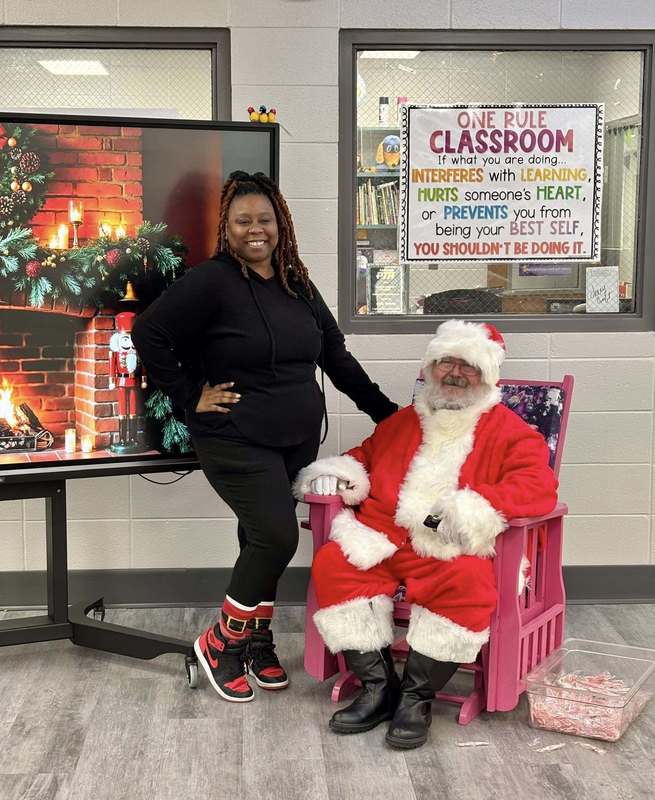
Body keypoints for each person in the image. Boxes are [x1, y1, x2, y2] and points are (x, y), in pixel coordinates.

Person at [131, 171, 397, 703]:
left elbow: (335, 356)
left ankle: (257, 642)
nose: (256, 229)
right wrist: (189, 395)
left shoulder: (297, 283)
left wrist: (387, 415)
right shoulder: (211, 281)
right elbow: (148, 332)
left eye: (265, 219)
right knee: (277, 536)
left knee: (257, 538)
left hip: (294, 438)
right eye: (243, 221)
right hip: (234, 436)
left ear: (281, 224)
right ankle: (220, 643)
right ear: (226, 228)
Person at [293, 320, 558, 749]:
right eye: (445, 362)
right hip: (385, 538)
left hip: (451, 548)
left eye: (468, 366)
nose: (455, 373)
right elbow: (364, 456)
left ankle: (416, 699)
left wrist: (470, 508)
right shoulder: (401, 422)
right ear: (430, 368)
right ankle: (379, 689)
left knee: (468, 583)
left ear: (487, 375)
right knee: (335, 563)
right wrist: (338, 474)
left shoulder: (511, 432)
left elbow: (537, 486)